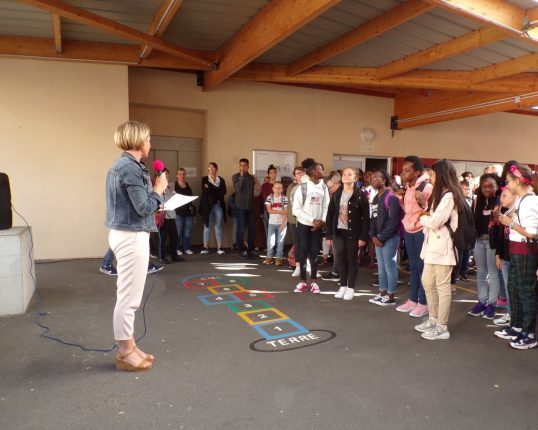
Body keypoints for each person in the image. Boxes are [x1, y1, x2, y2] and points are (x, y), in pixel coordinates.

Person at [105, 120, 167, 371]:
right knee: (128, 299)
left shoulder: (128, 166)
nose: (150, 142)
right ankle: (124, 352)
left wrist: (153, 193)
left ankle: (130, 346)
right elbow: (143, 207)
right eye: (148, 138)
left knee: (130, 297)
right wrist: (159, 190)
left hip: (129, 233)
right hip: (131, 237)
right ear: (138, 140)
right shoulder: (129, 168)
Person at [414, 159, 465, 340]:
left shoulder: (449, 195)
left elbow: (434, 221)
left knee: (442, 288)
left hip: (444, 248)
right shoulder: (439, 194)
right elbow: (432, 218)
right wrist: (426, 216)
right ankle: (433, 318)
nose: (430, 177)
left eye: (433, 174)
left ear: (441, 175)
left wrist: (423, 218)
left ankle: (442, 327)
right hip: (431, 247)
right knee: (428, 283)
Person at [495, 163, 538, 350]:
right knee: (514, 289)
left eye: (509, 181)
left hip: (525, 252)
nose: (507, 184)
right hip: (517, 250)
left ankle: (529, 334)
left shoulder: (530, 201)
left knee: (525, 292)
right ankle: (518, 326)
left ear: (518, 181)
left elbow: (531, 233)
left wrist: (509, 223)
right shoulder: (522, 199)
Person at [325, 167, 370, 301]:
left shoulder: (360, 194)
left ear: (355, 178)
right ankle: (342, 285)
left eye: (350, 175)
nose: (346, 176)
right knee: (341, 259)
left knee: (352, 260)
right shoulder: (337, 194)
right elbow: (330, 214)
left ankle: (351, 287)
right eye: (344, 174)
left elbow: (366, 218)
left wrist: (363, 236)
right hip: (338, 232)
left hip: (353, 234)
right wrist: (329, 234)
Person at [397, 156, 433, 317]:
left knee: (422, 267)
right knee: (413, 267)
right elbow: (407, 210)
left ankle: (423, 302)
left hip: (420, 231)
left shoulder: (426, 187)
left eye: (407, 171)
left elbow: (432, 211)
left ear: (417, 172)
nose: (403, 174)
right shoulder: (407, 187)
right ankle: (413, 299)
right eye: (403, 171)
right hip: (409, 230)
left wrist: (423, 203)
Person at [293, 158, 329, 294]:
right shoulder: (302, 187)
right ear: (314, 172)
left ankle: (314, 282)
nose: (323, 172)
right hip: (304, 225)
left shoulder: (323, 187)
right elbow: (296, 210)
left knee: (314, 253)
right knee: (302, 253)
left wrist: (322, 220)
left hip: (318, 226)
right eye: (321, 170)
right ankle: (302, 282)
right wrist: (312, 220)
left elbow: (326, 205)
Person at [468, 174, 501, 319]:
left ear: (497, 187)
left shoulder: (500, 202)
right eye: (484, 187)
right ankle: (481, 302)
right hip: (478, 240)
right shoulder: (477, 201)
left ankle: (491, 304)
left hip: (492, 242)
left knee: (493, 275)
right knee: (481, 274)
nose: (487, 189)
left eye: (491, 186)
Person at [368, 169, 402, 307]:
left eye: (377, 178)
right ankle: (382, 293)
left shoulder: (392, 197)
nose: (373, 180)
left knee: (389, 266)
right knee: (381, 267)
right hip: (378, 238)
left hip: (389, 237)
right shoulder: (376, 198)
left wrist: (382, 238)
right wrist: (373, 235)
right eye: (372, 178)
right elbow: (373, 218)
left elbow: (393, 221)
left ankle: (391, 295)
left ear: (384, 180)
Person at [491, 186, 517, 327]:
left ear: (514, 196)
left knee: (515, 288)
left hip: (517, 257)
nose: (501, 199)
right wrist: (498, 254)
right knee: (508, 287)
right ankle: (510, 314)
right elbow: (501, 237)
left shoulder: (518, 213)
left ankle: (516, 318)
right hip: (505, 257)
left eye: (504, 196)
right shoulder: (505, 212)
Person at [200, 162, 227, 254]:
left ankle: (219, 248)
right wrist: (216, 190)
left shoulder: (221, 180)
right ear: (208, 169)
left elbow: (224, 192)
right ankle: (205, 247)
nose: (212, 169)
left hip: (218, 205)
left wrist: (211, 189)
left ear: (216, 169)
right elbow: (205, 191)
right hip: (207, 206)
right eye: (210, 168)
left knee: (218, 226)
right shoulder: (204, 179)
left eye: (213, 168)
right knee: (207, 226)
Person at [158, 168, 182, 264]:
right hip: (163, 216)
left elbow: (174, 197)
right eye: (164, 174)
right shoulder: (158, 187)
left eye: (167, 174)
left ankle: (174, 256)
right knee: (162, 238)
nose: (166, 176)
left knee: (174, 236)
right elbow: (158, 200)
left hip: (171, 215)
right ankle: (161, 257)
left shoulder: (170, 187)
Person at [232, 158, 255, 258]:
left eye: (245, 165)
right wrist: (241, 177)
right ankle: (240, 250)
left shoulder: (251, 178)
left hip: (250, 206)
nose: (243, 167)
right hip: (240, 206)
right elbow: (238, 189)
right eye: (241, 165)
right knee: (240, 229)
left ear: (248, 166)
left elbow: (251, 192)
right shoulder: (235, 176)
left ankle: (250, 250)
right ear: (239, 166)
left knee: (252, 228)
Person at [286, 166, 306, 277]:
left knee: (307, 243)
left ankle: (307, 265)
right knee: (297, 244)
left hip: (307, 220)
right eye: (298, 173)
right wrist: (288, 219)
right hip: (294, 220)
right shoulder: (291, 187)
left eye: (302, 172)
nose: (300, 175)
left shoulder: (310, 186)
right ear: (295, 175)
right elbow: (289, 205)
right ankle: (298, 266)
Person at [264, 181, 288, 266]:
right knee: (270, 241)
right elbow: (269, 210)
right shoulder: (269, 197)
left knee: (280, 241)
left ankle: (279, 258)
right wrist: (282, 211)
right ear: (272, 189)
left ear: (282, 190)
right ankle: (269, 257)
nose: (277, 189)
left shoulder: (285, 198)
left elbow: (286, 212)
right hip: (272, 223)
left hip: (282, 223)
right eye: (275, 187)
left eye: (279, 188)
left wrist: (283, 224)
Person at [174, 168, 195, 255]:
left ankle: (186, 248)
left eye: (183, 174)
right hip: (178, 212)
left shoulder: (187, 184)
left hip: (188, 211)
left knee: (187, 231)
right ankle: (177, 248)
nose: (181, 176)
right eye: (180, 174)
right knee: (178, 231)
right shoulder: (174, 185)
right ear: (176, 175)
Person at [261, 164, 278, 235]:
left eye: (274, 172)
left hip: (278, 210)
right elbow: (265, 197)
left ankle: (277, 246)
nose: (273, 174)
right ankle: (270, 246)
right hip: (267, 210)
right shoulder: (265, 185)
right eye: (271, 173)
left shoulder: (279, 185)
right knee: (268, 230)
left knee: (277, 230)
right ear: (268, 174)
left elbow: (283, 197)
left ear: (276, 173)